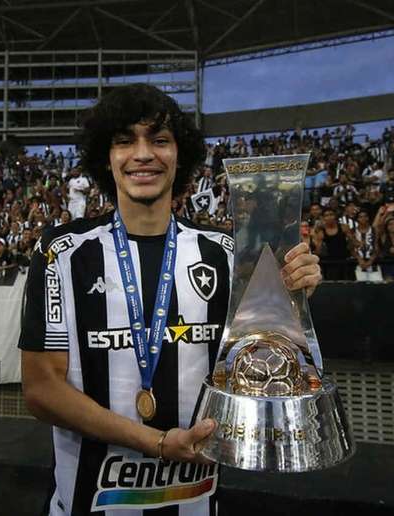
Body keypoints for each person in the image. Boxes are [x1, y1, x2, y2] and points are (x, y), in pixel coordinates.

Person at [18, 83, 321, 516]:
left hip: (195, 505)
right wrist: (157, 443)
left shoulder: (227, 254)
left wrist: (293, 299)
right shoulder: (62, 252)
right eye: (125, 141)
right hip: (88, 506)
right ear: (107, 157)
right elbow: (41, 389)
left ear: (181, 155)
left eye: (159, 140)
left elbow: (265, 367)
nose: (143, 154)